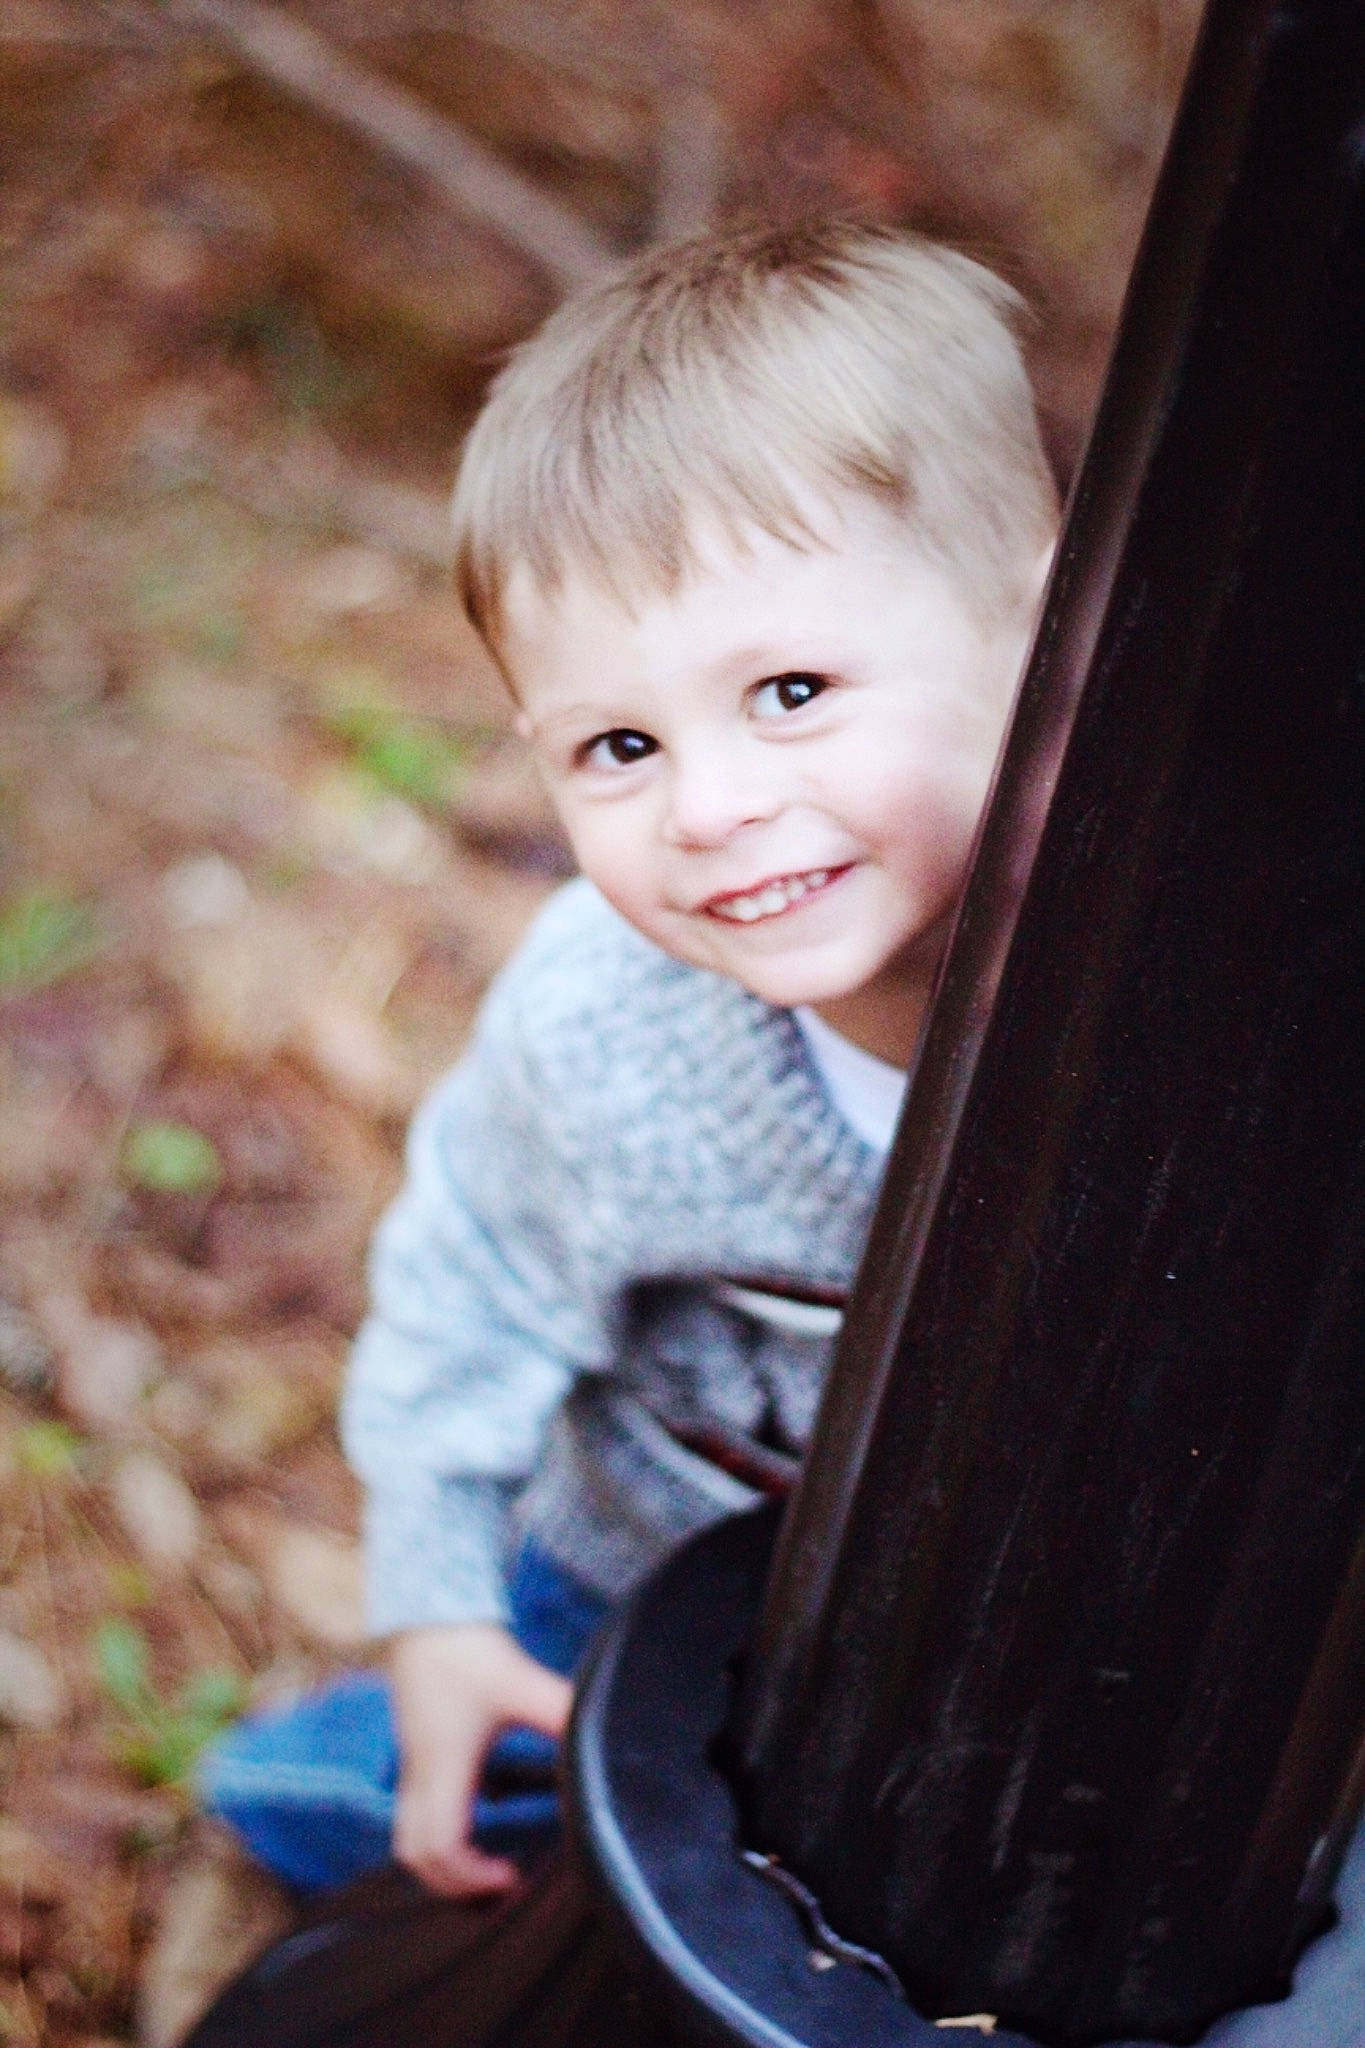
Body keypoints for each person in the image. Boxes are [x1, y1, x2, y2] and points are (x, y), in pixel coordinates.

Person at [199, 220, 1363, 2044]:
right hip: (637, 1597)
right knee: (403, 1831)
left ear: (1068, 638)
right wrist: (433, 1608)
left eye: (792, 692)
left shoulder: (1204, 1023)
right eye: (616, 748)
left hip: (1023, 1675)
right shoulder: (609, 1029)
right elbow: (468, 1283)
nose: (715, 807)